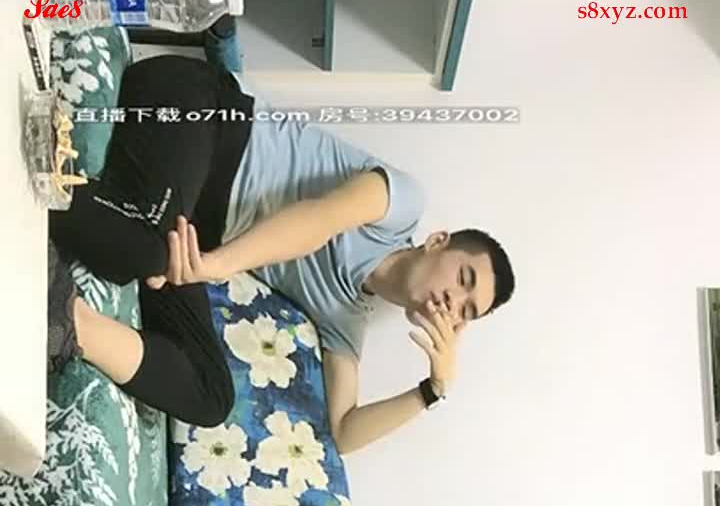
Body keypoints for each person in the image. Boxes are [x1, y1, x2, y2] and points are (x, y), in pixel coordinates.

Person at [48, 53, 515, 451]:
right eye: (464, 279)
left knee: (211, 397)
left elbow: (344, 431)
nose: (453, 302)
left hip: (187, 225)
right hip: (206, 113)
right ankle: (34, 176)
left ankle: (68, 319)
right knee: (153, 252)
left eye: (466, 311)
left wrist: (432, 389)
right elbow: (319, 219)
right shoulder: (402, 204)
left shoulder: (347, 317)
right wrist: (213, 266)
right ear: (438, 242)